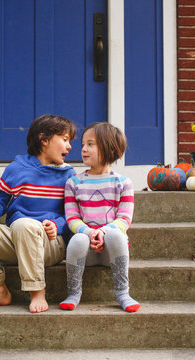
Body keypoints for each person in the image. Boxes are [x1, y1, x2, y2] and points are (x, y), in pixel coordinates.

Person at [0, 114, 76, 313]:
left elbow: (74, 215)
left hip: (49, 243)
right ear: (44, 139)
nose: (69, 147)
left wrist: (57, 225)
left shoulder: (69, 175)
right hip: (17, 238)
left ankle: (37, 290)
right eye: (65, 140)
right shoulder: (15, 169)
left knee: (24, 224)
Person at [59, 122, 140, 312]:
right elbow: (72, 219)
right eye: (83, 145)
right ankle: (74, 292)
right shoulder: (74, 183)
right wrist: (89, 233)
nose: (83, 149)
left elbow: (124, 220)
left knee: (116, 234)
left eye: (90, 144)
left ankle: (122, 292)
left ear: (109, 147)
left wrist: (102, 232)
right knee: (77, 238)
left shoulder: (123, 183)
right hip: (85, 252)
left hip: (111, 252)